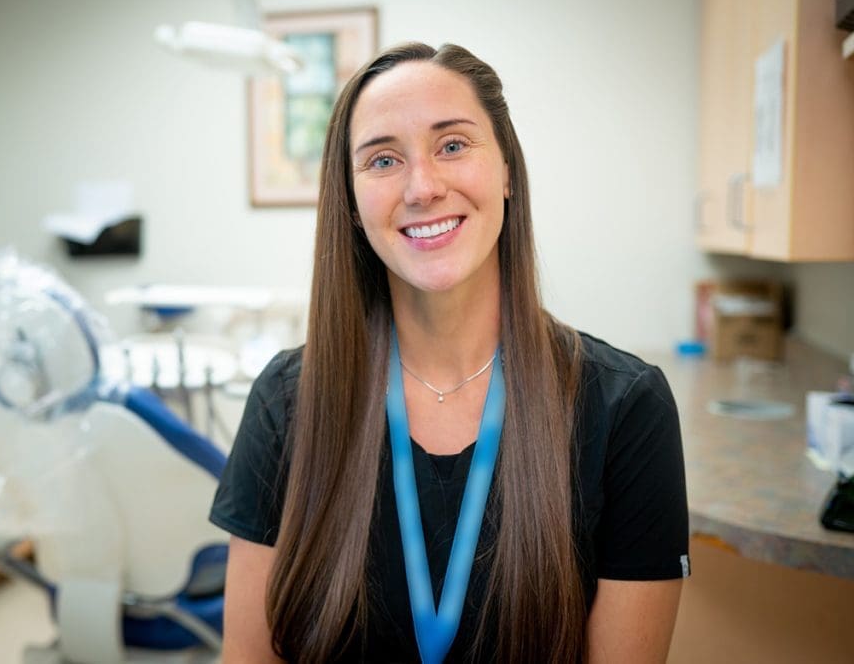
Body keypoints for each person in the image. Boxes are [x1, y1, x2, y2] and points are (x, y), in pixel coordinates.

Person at [209, 42, 689, 663]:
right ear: (352, 205)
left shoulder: (625, 408)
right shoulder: (288, 400)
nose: (423, 187)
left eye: (453, 145)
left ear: (508, 170)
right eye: (383, 159)